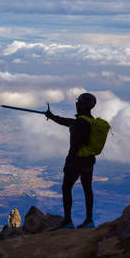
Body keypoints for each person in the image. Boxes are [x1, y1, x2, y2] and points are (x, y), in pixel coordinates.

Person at [45, 93, 97, 230]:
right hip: (89, 162)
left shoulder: (79, 122)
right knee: (87, 189)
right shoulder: (91, 121)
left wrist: (67, 163)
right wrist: (51, 116)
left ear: (83, 105)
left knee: (66, 188)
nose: (77, 105)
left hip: (77, 162)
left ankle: (68, 221)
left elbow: (74, 146)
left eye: (78, 103)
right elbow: (67, 122)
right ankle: (89, 220)